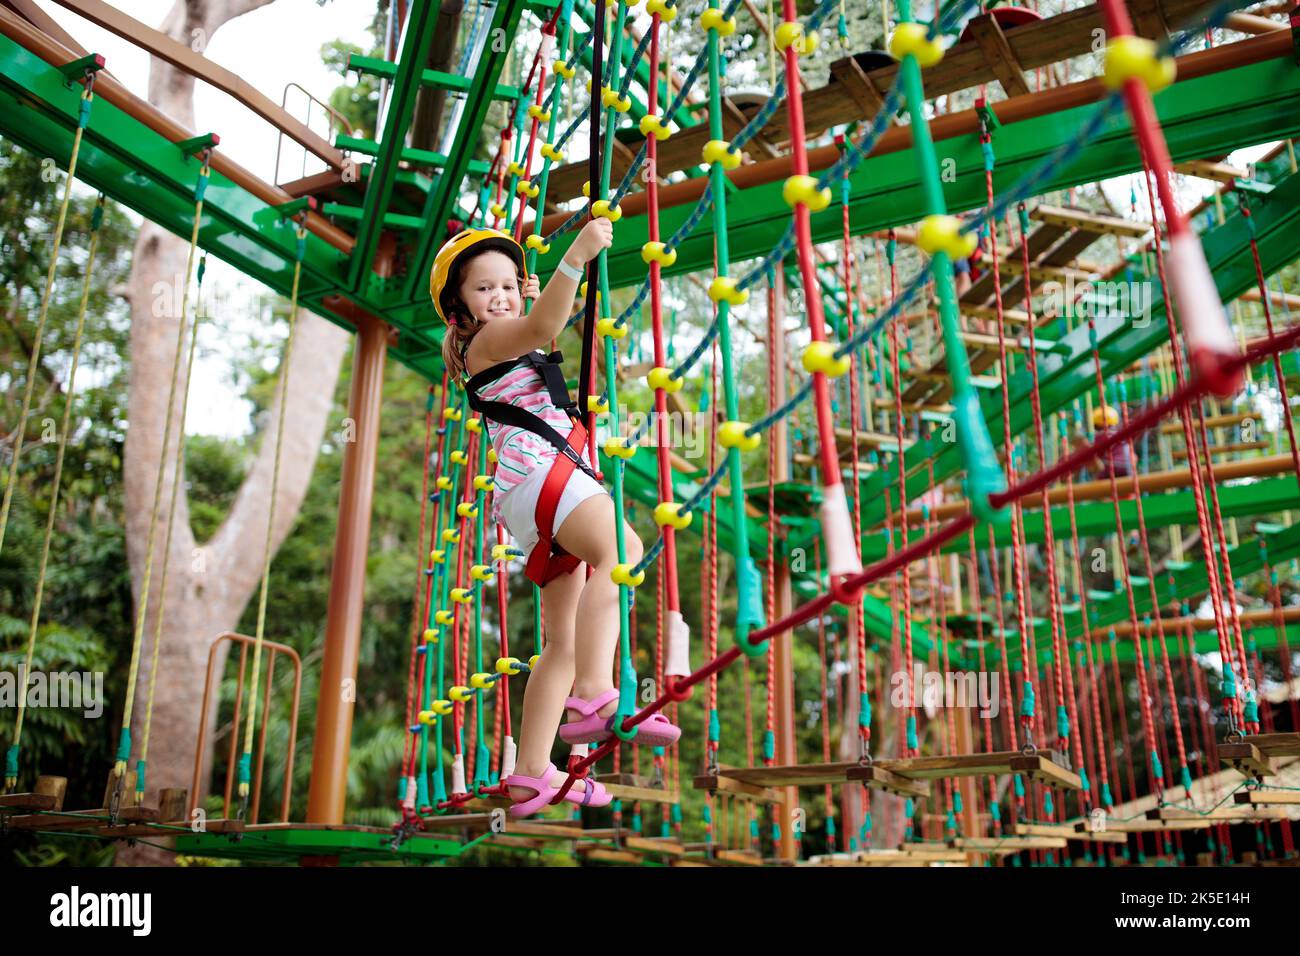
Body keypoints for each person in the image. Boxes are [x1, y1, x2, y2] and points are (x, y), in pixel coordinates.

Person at [429, 219, 681, 817]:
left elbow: (540, 327)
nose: (499, 297)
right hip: (547, 477)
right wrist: (578, 256)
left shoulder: (507, 341)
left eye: (507, 287)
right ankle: (595, 696)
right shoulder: (484, 344)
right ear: (459, 312)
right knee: (618, 549)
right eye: (482, 290)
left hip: (535, 493)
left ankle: (530, 771)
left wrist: (543, 290)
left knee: (560, 642)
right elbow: (543, 323)